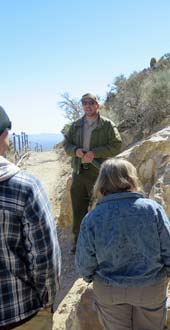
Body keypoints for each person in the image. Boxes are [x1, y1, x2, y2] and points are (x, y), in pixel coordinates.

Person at [75, 158, 170, 330]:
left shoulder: (92, 218)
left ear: (102, 183)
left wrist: (90, 276)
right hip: (150, 287)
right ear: (131, 179)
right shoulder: (152, 209)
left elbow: (84, 262)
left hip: (109, 290)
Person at [0, 106, 61, 330]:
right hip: (19, 316)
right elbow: (45, 259)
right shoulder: (24, 188)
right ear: (4, 136)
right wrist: (46, 301)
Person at [62, 93, 122, 253]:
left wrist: (95, 153)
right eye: (84, 103)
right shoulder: (75, 126)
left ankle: (102, 243)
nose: (87, 105)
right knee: (78, 208)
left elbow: (117, 146)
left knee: (101, 208)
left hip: (100, 173)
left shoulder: (107, 125)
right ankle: (79, 242)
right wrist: (75, 150)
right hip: (79, 173)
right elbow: (66, 144)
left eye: (91, 102)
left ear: (97, 105)